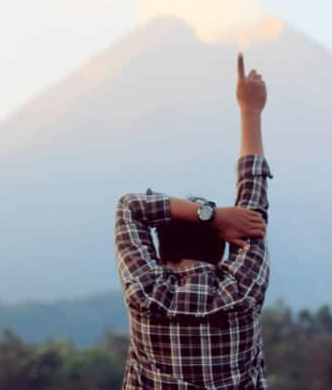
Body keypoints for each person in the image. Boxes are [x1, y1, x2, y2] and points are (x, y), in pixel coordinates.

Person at [114, 52, 273, 389]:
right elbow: (253, 209)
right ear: (221, 249)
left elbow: (130, 206)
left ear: (160, 252)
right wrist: (251, 111)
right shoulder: (240, 291)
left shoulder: (147, 295)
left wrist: (211, 216)